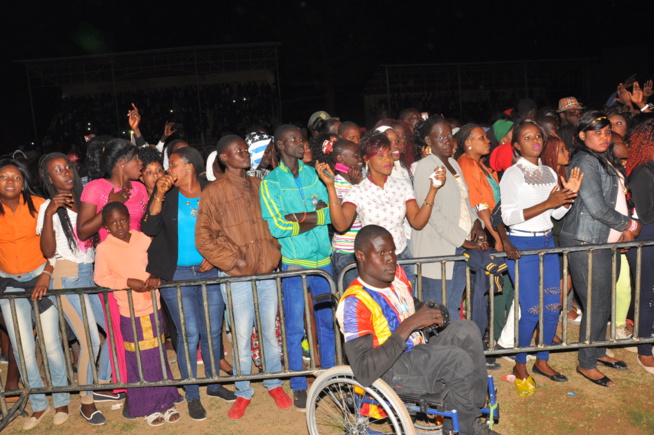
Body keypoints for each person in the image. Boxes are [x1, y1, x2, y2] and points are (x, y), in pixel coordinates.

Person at [336, 225, 497, 435]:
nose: (391, 259)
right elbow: (365, 370)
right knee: (456, 360)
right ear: (361, 256)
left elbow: (405, 304)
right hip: (389, 370)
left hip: (415, 350)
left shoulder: (396, 277)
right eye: (382, 253)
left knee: (466, 329)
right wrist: (410, 324)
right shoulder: (355, 303)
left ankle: (470, 419)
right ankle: (462, 430)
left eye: (392, 251)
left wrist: (426, 309)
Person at [196, 134, 291, 419]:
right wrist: (233, 260)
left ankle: (274, 383)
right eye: (238, 150)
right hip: (237, 275)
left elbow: (276, 221)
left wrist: (274, 251)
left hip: (264, 272)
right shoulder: (214, 192)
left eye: (246, 149)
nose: (245, 153)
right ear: (224, 157)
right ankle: (243, 390)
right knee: (240, 335)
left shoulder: (258, 185)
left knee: (269, 334)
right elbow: (203, 237)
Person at [141, 146, 236, 420]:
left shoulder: (211, 190)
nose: (168, 170)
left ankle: (214, 384)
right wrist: (157, 193)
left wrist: (214, 256)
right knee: (189, 333)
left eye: (173, 165)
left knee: (211, 330)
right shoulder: (167, 195)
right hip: (177, 274)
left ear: (190, 167)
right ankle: (193, 394)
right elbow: (149, 228)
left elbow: (226, 228)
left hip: (209, 271)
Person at [500, 120, 582, 396]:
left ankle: (543, 361)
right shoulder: (512, 174)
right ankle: (520, 364)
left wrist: (567, 196)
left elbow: (555, 215)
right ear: (516, 145)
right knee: (531, 309)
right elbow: (509, 217)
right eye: (527, 137)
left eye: (538, 136)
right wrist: (549, 202)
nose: (535, 140)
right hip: (523, 246)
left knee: (552, 305)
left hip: (547, 241)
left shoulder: (548, 171)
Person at [260, 124, 336, 411]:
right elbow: (277, 226)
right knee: (294, 327)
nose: (301, 144)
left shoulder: (315, 175)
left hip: (323, 263)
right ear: (280, 145)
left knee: (326, 324)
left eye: (301, 139)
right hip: (294, 265)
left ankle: (329, 376)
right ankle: (298, 385)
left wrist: (301, 216)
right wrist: (314, 214)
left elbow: (330, 212)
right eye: (293, 140)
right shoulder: (271, 183)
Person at [560, 111, 638, 388]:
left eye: (607, 132)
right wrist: (628, 223)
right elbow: (595, 207)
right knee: (595, 302)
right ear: (582, 135)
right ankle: (587, 364)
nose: (604, 137)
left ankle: (597, 350)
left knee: (603, 300)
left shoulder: (602, 157)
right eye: (597, 132)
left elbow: (616, 198)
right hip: (587, 241)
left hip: (606, 239)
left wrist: (624, 226)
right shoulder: (583, 161)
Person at [317, 131, 445, 285]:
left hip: (402, 259)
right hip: (373, 264)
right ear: (367, 159)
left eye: (389, 154)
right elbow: (341, 225)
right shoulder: (358, 190)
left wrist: (433, 190)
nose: (387, 160)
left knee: (408, 307)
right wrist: (330, 186)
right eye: (380, 156)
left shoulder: (402, 185)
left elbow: (417, 222)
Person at [94, 202, 181, 426]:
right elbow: (101, 278)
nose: (119, 226)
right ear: (106, 226)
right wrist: (126, 282)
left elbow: (158, 261)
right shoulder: (104, 249)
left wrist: (154, 274)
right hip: (129, 312)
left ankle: (166, 401)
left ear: (129, 219)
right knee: (138, 359)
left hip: (153, 307)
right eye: (113, 223)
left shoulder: (143, 238)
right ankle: (147, 406)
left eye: (123, 220)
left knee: (158, 355)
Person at [37, 153, 108, 425]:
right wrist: (50, 213)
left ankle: (99, 385)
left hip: (90, 274)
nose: (66, 172)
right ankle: (86, 402)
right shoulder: (48, 208)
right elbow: (47, 251)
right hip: (66, 276)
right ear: (48, 178)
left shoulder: (83, 199)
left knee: (110, 329)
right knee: (89, 338)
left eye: (67, 167)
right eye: (58, 170)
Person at [0, 158, 70, 430]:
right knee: (22, 347)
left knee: (51, 345)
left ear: (23, 181)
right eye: (4, 176)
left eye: (16, 177)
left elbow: (57, 243)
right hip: (8, 284)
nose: (9, 182)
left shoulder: (41, 205)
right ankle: (39, 405)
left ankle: (62, 400)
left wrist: (46, 274)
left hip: (40, 278)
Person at [77, 138, 147, 396]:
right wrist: (109, 203)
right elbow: (83, 231)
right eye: (136, 159)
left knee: (146, 325)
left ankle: (148, 375)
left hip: (141, 265)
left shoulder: (140, 188)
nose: (140, 163)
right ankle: (127, 385)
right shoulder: (95, 188)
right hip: (115, 269)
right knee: (120, 329)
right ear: (121, 163)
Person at [410, 118, 485, 318]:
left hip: (458, 246)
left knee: (452, 307)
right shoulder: (425, 166)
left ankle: (451, 348)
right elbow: (432, 213)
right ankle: (437, 349)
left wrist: (478, 223)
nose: (447, 141)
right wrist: (463, 240)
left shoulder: (453, 163)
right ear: (428, 141)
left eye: (449, 136)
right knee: (437, 312)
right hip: (437, 249)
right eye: (440, 137)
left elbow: (465, 200)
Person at [624, 119, 654, 374]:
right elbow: (645, 214)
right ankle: (644, 350)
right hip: (646, 238)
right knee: (646, 296)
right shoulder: (643, 171)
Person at [323, 139, 363, 286]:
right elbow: (344, 219)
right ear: (341, 159)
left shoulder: (362, 180)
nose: (360, 159)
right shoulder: (336, 185)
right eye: (356, 155)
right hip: (346, 251)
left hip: (364, 248)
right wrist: (355, 187)